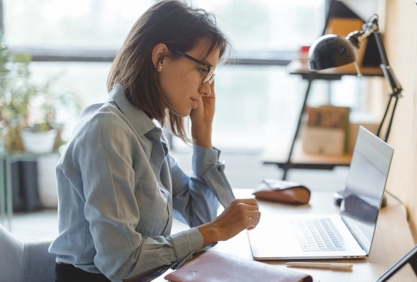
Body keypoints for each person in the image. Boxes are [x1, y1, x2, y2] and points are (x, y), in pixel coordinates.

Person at [48, 1, 261, 281]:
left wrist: (203, 136)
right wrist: (216, 229)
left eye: (211, 75)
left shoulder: (145, 132)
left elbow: (200, 219)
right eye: (202, 70)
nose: (208, 88)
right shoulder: (108, 130)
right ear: (161, 57)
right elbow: (122, 262)